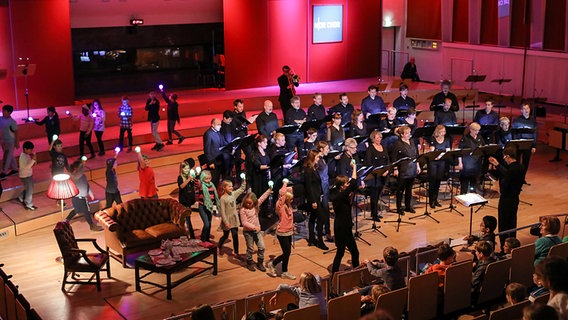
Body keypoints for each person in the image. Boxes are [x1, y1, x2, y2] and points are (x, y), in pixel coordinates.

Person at [488, 147, 525, 252]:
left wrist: (497, 165)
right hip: (515, 199)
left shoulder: (511, 170)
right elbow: (508, 173)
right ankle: (513, 247)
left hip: (506, 199)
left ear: (508, 156)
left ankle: (504, 248)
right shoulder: (521, 167)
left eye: (505, 157)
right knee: (512, 223)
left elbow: (504, 185)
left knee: (503, 225)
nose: (504, 159)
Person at [331, 162, 361, 274]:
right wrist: (354, 167)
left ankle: (334, 273)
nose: (348, 184)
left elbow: (353, 186)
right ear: (341, 186)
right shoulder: (340, 196)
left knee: (340, 252)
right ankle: (357, 272)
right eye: (346, 183)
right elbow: (353, 182)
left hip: (341, 226)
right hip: (343, 227)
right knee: (354, 252)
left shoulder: (339, 194)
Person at [267, 180, 295, 279]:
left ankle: (284, 272)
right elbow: (282, 193)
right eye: (290, 198)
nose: (292, 200)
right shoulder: (280, 206)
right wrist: (284, 183)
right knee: (286, 252)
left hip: (289, 231)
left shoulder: (288, 205)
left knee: (288, 253)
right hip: (282, 232)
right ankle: (273, 263)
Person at [65, 159, 103, 231]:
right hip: (78, 198)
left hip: (80, 198)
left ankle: (66, 220)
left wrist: (90, 193)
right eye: (81, 167)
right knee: (86, 211)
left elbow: (87, 185)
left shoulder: (83, 176)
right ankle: (92, 226)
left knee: (77, 210)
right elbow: (76, 173)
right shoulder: (75, 176)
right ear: (76, 169)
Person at [240, 187, 272, 272]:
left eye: (250, 203)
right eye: (246, 203)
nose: (248, 204)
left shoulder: (256, 206)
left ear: (254, 202)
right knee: (250, 248)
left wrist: (269, 190)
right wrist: (254, 227)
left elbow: (262, 197)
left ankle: (260, 263)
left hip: (257, 232)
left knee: (261, 247)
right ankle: (249, 262)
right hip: (248, 232)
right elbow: (244, 223)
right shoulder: (243, 210)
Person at [391, 126, 420, 214]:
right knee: (400, 189)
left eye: (409, 132)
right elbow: (393, 157)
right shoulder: (397, 144)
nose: (409, 134)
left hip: (412, 167)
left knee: (409, 189)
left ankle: (408, 206)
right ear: (402, 135)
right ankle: (399, 207)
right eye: (407, 133)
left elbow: (416, 155)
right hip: (403, 169)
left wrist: (418, 166)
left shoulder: (411, 141)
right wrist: (395, 169)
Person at [304, 149, 328, 250]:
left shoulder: (314, 168)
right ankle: (320, 241)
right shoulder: (308, 170)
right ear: (313, 157)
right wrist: (313, 201)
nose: (319, 158)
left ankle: (312, 238)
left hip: (317, 196)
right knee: (321, 218)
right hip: (313, 198)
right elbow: (308, 187)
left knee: (313, 217)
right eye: (317, 157)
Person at [365, 131, 390, 220]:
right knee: (374, 196)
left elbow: (387, 159)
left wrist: (386, 170)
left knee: (379, 194)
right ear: (373, 139)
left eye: (380, 137)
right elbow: (369, 163)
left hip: (384, 175)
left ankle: (376, 212)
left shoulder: (383, 146)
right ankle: (374, 214)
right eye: (377, 138)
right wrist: (379, 171)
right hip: (375, 176)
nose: (379, 139)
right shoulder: (370, 149)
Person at [218, 178, 247, 256]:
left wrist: (243, 182)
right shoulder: (222, 199)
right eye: (229, 186)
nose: (231, 188)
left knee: (235, 235)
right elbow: (223, 212)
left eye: (232, 186)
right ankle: (219, 247)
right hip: (227, 220)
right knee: (225, 235)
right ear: (224, 188)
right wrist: (226, 222)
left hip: (234, 219)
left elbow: (241, 189)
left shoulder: (233, 194)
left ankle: (236, 253)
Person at [458, 122, 484, 194]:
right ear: (471, 130)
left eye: (478, 130)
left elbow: (482, 147)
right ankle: (463, 194)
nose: (477, 132)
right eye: (475, 130)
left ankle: (473, 194)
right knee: (465, 180)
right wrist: (460, 163)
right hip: (467, 163)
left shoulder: (479, 137)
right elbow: (460, 151)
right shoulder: (465, 138)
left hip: (476, 163)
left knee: (474, 180)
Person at [428, 125, 451, 208]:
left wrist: (441, 156)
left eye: (444, 131)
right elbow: (432, 149)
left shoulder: (447, 140)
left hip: (441, 162)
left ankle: (435, 199)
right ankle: (431, 201)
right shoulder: (433, 139)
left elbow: (448, 151)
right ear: (437, 132)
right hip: (433, 162)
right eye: (441, 132)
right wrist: (434, 152)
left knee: (438, 181)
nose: (443, 133)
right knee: (432, 181)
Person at [315, 141, 333, 242]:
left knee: (325, 211)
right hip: (321, 187)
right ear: (321, 149)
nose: (328, 150)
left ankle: (325, 231)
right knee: (324, 210)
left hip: (325, 186)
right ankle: (325, 232)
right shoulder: (317, 160)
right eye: (327, 149)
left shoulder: (322, 159)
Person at [512, 103, 537, 172]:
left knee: (526, 162)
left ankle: (522, 177)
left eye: (527, 108)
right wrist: (514, 144)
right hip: (518, 143)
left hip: (528, 144)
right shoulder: (517, 120)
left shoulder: (533, 121)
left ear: (530, 109)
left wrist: (534, 146)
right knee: (516, 161)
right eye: (524, 109)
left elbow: (535, 133)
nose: (526, 110)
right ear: (521, 110)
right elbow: (514, 133)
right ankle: (516, 177)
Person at [203, 118, 230, 184]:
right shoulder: (208, 134)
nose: (220, 126)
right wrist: (210, 162)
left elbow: (222, 142)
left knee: (221, 177)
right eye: (218, 124)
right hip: (213, 160)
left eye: (220, 124)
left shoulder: (218, 132)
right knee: (214, 179)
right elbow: (207, 149)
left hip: (220, 159)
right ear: (212, 125)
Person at [195, 170, 220, 243]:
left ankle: (207, 238)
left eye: (209, 178)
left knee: (209, 223)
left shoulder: (212, 185)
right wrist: (197, 175)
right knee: (206, 224)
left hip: (210, 207)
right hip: (202, 207)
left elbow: (214, 196)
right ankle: (203, 238)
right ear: (203, 179)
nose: (208, 180)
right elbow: (196, 182)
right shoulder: (201, 185)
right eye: (206, 179)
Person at [246, 135, 271, 199]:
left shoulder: (265, 152)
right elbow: (258, 166)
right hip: (257, 177)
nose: (266, 144)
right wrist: (270, 166)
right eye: (264, 142)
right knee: (259, 195)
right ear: (259, 143)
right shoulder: (254, 154)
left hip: (265, 176)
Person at [177, 160, 196, 239]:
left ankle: (187, 234)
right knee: (187, 218)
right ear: (182, 169)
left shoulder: (189, 176)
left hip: (189, 200)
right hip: (184, 201)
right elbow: (181, 186)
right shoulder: (180, 177)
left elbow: (192, 187)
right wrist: (188, 180)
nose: (187, 170)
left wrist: (194, 179)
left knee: (187, 218)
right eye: (185, 169)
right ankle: (191, 236)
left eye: (188, 168)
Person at [0, 105, 19, 178]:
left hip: (10, 141)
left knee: (7, 156)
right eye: (2, 110)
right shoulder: (1, 119)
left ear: (9, 112)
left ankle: (4, 172)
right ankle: (15, 169)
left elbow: (16, 132)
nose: (2, 112)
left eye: (4, 111)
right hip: (4, 140)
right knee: (10, 155)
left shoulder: (12, 122)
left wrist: (17, 143)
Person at [18, 141, 37, 211]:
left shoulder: (27, 155)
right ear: (25, 149)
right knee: (30, 190)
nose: (31, 151)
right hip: (25, 176)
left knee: (29, 188)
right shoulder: (22, 157)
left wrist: (34, 159)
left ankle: (20, 197)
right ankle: (29, 204)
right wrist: (33, 160)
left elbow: (32, 164)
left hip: (28, 175)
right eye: (30, 149)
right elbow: (26, 167)